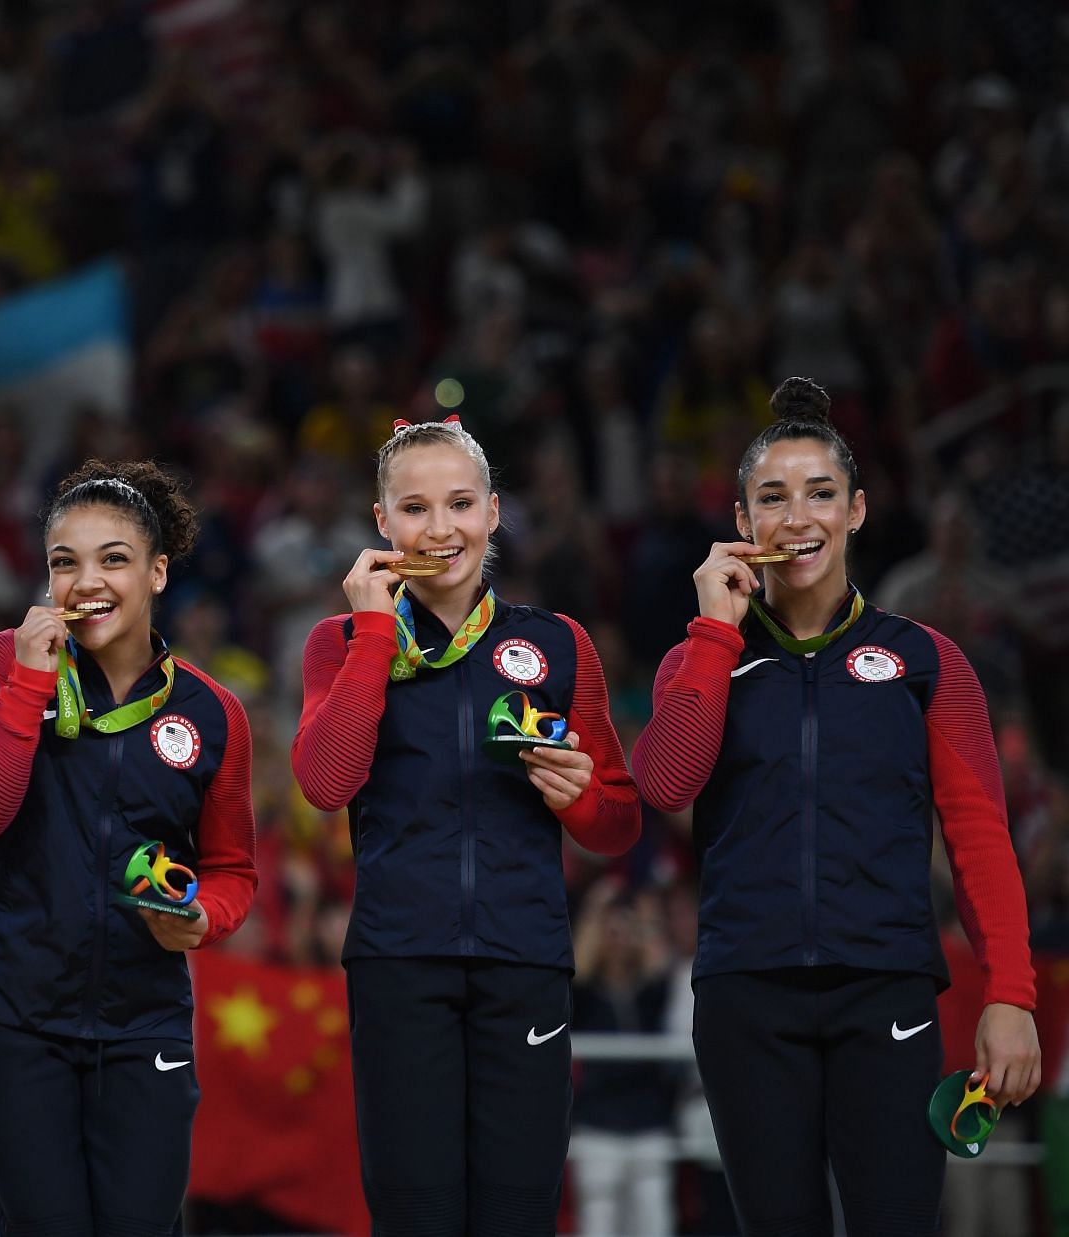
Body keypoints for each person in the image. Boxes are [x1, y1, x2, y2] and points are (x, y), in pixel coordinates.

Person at [630, 376, 1041, 1236]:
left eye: (821, 493)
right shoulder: (698, 660)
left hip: (884, 990)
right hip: (747, 999)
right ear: (743, 525)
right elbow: (664, 785)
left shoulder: (927, 661)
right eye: (771, 498)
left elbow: (979, 839)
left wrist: (1011, 994)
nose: (798, 516)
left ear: (856, 511)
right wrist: (712, 633)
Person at [291, 416, 641, 1235]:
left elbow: (619, 822)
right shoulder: (338, 642)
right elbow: (323, 781)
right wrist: (377, 632)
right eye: (414, 508)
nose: (439, 528)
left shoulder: (557, 643)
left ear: (492, 512)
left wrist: (578, 797)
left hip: (524, 958)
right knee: (416, 1216)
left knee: (518, 1216)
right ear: (382, 523)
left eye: (459, 504)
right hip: (398, 964)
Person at [0, 460, 258, 1235]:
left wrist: (202, 918)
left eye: (113, 558)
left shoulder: (212, 713)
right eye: (64, 561)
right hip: (15, 1017)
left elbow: (233, 870)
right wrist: (26, 685)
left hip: (144, 1020)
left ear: (156, 571)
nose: (87, 580)